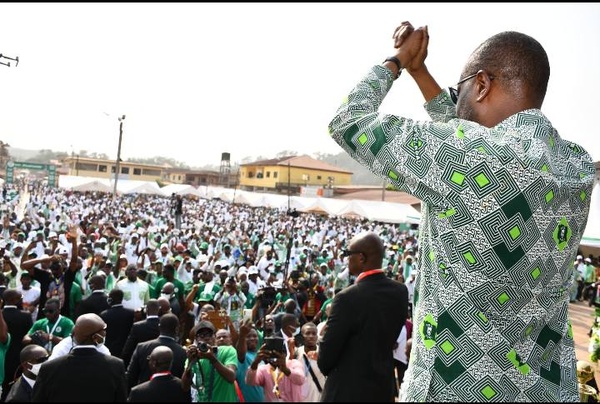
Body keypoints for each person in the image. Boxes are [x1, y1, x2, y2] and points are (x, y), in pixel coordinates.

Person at [327, 22, 595, 402]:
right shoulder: (576, 166)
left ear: (483, 84)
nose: (454, 104)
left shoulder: (468, 155)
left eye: (461, 89)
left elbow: (348, 122)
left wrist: (397, 62)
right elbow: (467, 139)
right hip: (543, 389)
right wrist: (422, 74)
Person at [317, 231, 408, 401]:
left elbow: (325, 361)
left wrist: (321, 339)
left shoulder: (346, 298)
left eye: (348, 254)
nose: (346, 259)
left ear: (361, 258)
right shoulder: (400, 292)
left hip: (346, 392)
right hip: (381, 390)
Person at [31, 313, 127, 402]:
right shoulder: (116, 366)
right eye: (103, 330)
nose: (105, 334)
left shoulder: (49, 368)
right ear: (95, 337)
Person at [126, 313, 187, 391]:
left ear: (159, 327)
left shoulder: (141, 347)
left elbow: (131, 376)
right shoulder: (183, 353)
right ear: (177, 329)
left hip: (143, 395)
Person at [181, 320, 238, 402]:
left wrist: (212, 359)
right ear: (196, 339)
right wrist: (190, 363)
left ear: (214, 336)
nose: (206, 338)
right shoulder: (194, 356)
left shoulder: (227, 350)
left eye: (209, 334)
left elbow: (231, 377)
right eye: (201, 335)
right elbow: (185, 387)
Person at [1, 288, 33, 401]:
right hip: (18, 360)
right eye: (20, 298)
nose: (22, 300)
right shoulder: (25, 316)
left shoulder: (1, 315)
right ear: (14, 300)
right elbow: (29, 337)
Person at [121, 298, 161, 369]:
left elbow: (128, 348)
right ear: (159, 309)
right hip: (160, 361)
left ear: (146, 310)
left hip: (141, 362)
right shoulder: (163, 324)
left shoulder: (138, 326)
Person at [100, 288, 135, 360]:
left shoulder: (104, 314)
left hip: (110, 349)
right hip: (127, 349)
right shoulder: (131, 313)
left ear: (111, 299)